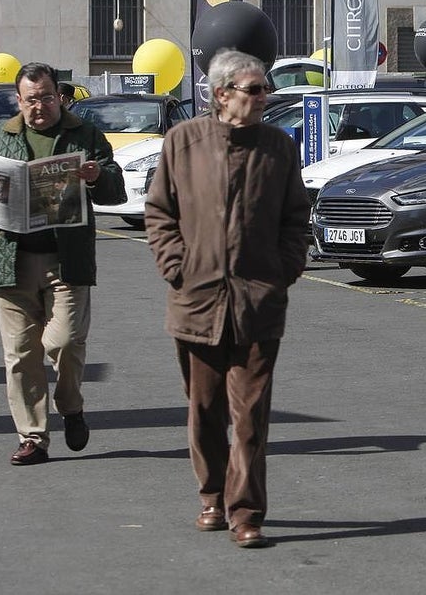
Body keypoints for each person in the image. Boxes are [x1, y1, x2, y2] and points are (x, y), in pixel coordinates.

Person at [145, 49, 310, 549]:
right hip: (196, 302)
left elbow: (295, 219)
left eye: (265, 89)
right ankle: (211, 496)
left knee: (252, 415)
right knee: (205, 411)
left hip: (258, 303)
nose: (265, 97)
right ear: (222, 94)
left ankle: (246, 513)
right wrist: (177, 266)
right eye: (255, 89)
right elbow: (159, 212)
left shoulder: (279, 148)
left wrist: (282, 272)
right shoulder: (183, 142)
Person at [0, 62, 125, 466]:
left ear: (59, 97)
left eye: (47, 97)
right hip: (11, 258)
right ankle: (32, 437)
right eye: (31, 99)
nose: (39, 106)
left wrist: (97, 174)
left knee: (63, 342)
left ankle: (71, 407)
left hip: (66, 260)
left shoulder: (84, 135)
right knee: (19, 353)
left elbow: (116, 190)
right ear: (19, 100)